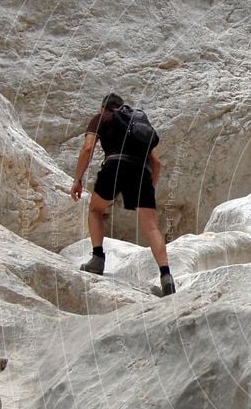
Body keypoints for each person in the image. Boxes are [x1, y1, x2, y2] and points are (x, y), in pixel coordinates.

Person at [70, 93, 175, 296]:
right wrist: (149, 187)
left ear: (104, 108)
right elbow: (157, 162)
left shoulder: (101, 118)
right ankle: (166, 276)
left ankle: (98, 258)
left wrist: (77, 179)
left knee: (95, 209)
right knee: (151, 226)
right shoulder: (137, 123)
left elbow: (88, 148)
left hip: (115, 165)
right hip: (141, 172)